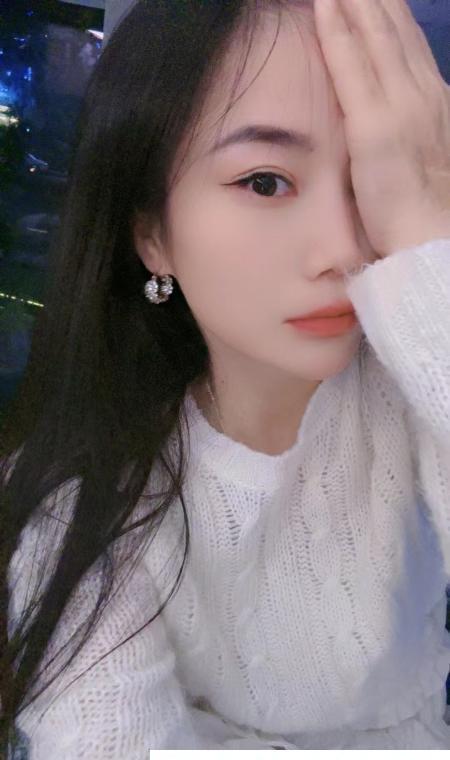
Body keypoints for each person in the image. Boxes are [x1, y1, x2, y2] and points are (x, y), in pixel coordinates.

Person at [1, 0, 450, 755]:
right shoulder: (85, 495)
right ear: (152, 234)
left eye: (374, 178)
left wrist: (427, 236)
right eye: (266, 181)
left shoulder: (419, 389)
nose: (345, 249)